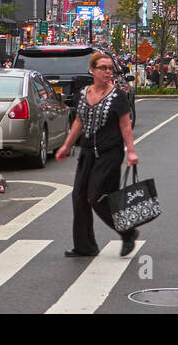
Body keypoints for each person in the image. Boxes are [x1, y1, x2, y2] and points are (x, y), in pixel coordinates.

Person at [55, 52, 140, 259]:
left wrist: (131, 151)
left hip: (109, 153)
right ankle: (85, 246)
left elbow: (125, 124)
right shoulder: (84, 93)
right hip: (86, 152)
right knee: (79, 197)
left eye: (110, 68)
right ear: (92, 70)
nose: (108, 72)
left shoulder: (118, 96)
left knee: (97, 196)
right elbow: (79, 121)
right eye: (103, 68)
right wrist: (66, 145)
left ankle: (127, 232)